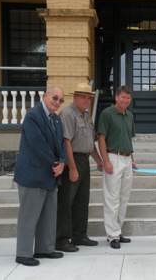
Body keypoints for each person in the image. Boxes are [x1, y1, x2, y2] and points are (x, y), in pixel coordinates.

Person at [14, 86, 67, 266]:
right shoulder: (33, 116)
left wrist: (62, 162)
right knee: (29, 215)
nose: (57, 102)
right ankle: (23, 253)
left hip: (51, 175)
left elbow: (61, 144)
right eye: (54, 98)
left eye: (60, 100)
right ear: (45, 96)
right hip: (33, 174)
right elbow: (38, 144)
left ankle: (45, 249)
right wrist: (55, 164)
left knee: (48, 214)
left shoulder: (57, 120)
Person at [55, 83, 103, 252]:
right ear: (74, 97)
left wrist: (99, 160)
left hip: (84, 160)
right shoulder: (68, 114)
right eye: (82, 96)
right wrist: (73, 168)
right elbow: (66, 142)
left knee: (82, 200)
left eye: (88, 97)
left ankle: (79, 235)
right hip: (71, 160)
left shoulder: (86, 116)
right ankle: (61, 239)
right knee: (66, 201)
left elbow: (90, 142)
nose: (86, 100)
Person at [97, 85, 137, 249]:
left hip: (127, 159)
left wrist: (132, 159)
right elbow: (101, 139)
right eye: (123, 97)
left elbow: (129, 139)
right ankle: (112, 235)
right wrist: (105, 161)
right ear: (116, 97)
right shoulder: (107, 114)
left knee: (123, 198)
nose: (125, 101)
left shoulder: (129, 116)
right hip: (113, 157)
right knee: (112, 198)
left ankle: (118, 231)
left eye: (128, 98)